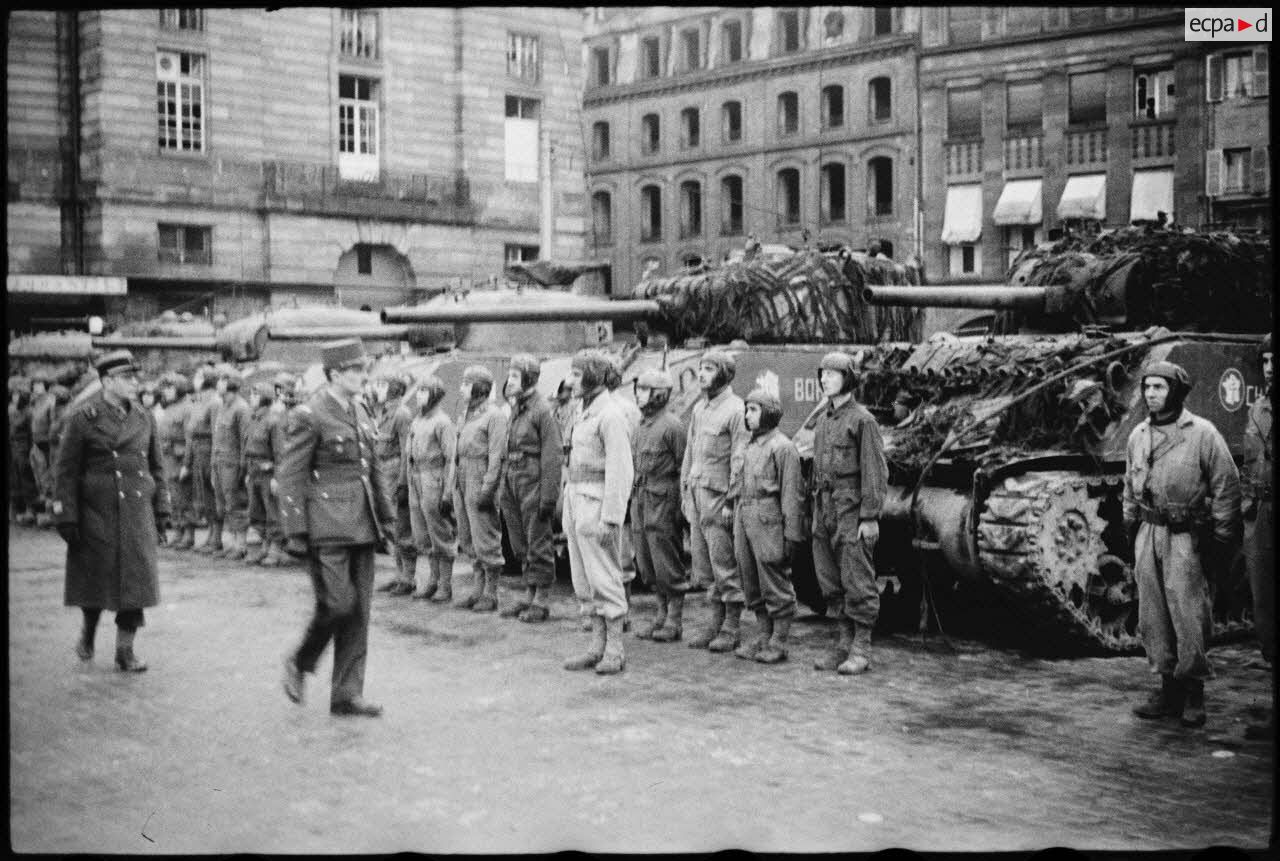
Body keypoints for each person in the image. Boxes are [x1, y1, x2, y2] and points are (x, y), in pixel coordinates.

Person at [279, 339, 394, 718]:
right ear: (334, 374)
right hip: (326, 526)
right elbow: (292, 473)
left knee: (359, 612)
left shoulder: (361, 410)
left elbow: (371, 467)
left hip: (362, 523)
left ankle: (346, 694)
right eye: (355, 370)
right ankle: (300, 662)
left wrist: (387, 517)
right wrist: (295, 530)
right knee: (338, 604)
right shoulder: (310, 414)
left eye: (363, 369)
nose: (363, 376)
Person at [1124, 360, 1242, 728]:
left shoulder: (1202, 433)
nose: (1151, 394)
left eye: (1159, 387)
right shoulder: (1137, 435)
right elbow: (1129, 485)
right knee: (1153, 615)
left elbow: (1226, 485)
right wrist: (1131, 525)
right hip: (1149, 530)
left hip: (1185, 535)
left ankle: (1193, 691)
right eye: (1147, 388)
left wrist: (1222, 536)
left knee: (1188, 612)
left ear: (1174, 391)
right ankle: (1165, 688)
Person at [53, 350, 171, 672]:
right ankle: (88, 633)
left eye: (135, 377)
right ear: (107, 381)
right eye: (126, 378)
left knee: (136, 583)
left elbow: (156, 468)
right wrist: (66, 514)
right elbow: (65, 471)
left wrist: (162, 510)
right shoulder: (84, 418)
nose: (135, 383)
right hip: (97, 514)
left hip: (136, 512)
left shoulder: (144, 418)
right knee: (95, 582)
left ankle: (125, 651)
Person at [810, 351, 888, 675]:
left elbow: (875, 471)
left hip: (851, 508)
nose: (825, 379)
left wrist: (869, 517)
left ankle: (861, 647)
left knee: (857, 578)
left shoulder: (862, 420)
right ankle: (843, 643)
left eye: (833, 373)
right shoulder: (823, 421)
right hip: (824, 508)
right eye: (823, 373)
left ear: (849, 379)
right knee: (830, 579)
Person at [562, 349, 634, 674]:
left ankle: (615, 649)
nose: (571, 381)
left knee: (604, 576)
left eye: (577, 375)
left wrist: (612, 517)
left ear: (593, 375)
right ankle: (596, 645)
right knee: (583, 578)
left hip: (596, 503)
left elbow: (621, 470)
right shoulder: (583, 411)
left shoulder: (611, 415)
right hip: (576, 499)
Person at [680, 350, 749, 651]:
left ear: (724, 373)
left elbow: (739, 459)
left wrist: (732, 502)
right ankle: (715, 621)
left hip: (719, 500)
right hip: (698, 497)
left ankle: (732, 626)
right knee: (704, 565)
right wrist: (685, 491)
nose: (703, 374)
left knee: (725, 564)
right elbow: (690, 453)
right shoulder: (699, 409)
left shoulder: (736, 410)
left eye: (709, 368)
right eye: (701, 368)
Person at [732, 387, 805, 664]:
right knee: (750, 579)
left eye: (754, 410)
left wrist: (791, 534)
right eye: (747, 409)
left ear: (769, 413)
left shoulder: (783, 447)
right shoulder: (750, 445)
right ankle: (763, 634)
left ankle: (779, 639)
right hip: (746, 514)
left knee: (773, 578)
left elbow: (791, 495)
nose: (748, 415)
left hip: (769, 519)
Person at [498, 354, 563, 622]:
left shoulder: (541, 410)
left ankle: (542, 598)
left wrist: (548, 497)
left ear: (528, 378)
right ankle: (529, 591)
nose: (509, 381)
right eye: (510, 375)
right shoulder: (517, 408)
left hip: (532, 481)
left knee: (538, 539)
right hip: (513, 480)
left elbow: (552, 455)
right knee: (519, 541)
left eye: (514, 376)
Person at [629, 369, 689, 642]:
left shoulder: (672, 426)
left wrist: (679, 508)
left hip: (663, 499)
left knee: (666, 559)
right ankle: (660, 614)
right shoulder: (642, 425)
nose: (639, 394)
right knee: (647, 560)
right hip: (642, 497)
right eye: (639, 389)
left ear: (659, 394)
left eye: (644, 389)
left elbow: (682, 468)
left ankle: (674, 620)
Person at [453, 365, 508, 612]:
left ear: (479, 387)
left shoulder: (494, 416)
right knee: (467, 537)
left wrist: (488, 489)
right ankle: (478, 589)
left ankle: (491, 592)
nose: (461, 388)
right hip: (462, 477)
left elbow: (497, 456)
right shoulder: (466, 414)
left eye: (466, 384)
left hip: (480, 476)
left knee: (485, 535)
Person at [1243, 334, 1274, 740]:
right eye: (1265, 360)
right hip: (1263, 515)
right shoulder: (1259, 408)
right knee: (1267, 610)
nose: (1269, 367)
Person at [404, 375, 458, 602]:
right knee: (422, 533)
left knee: (440, 532)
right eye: (419, 391)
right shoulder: (417, 421)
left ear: (435, 394)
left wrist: (447, 492)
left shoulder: (442, 422)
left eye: (424, 391)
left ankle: (445, 585)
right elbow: (409, 455)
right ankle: (432, 580)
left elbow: (451, 458)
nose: (419, 395)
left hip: (433, 478)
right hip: (416, 477)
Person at [605, 356, 641, 631]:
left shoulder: (624, 409)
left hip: (618, 485)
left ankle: (623, 611)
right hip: (598, 484)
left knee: (621, 553)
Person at [373, 375, 418, 594]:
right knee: (391, 527)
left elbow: (405, 451)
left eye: (382, 385)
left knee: (402, 527)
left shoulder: (401, 414)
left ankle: (408, 578)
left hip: (394, 473)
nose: (377, 389)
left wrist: (403, 483)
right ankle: (399, 574)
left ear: (395, 390)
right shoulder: (384, 413)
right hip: (383, 473)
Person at [210, 368, 252, 560]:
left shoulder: (241, 408)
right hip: (220, 462)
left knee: (236, 502)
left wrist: (244, 468)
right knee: (224, 504)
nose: (218, 384)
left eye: (222, 380)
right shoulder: (222, 407)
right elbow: (216, 438)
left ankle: (241, 545)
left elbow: (245, 441)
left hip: (233, 465)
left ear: (231, 384)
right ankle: (233, 542)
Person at [242, 380, 281, 565]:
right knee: (255, 511)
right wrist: (247, 472)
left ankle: (275, 549)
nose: (252, 398)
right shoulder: (252, 419)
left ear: (265, 398)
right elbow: (247, 447)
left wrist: (277, 477)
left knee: (272, 511)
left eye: (256, 394)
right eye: (252, 394)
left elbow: (279, 452)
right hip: (254, 471)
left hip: (268, 472)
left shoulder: (273, 420)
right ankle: (259, 548)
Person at [157, 372, 196, 549]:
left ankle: (188, 534)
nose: (166, 391)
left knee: (184, 496)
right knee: (174, 496)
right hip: (168, 457)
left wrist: (187, 464)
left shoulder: (187, 408)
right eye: (165, 388)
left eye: (170, 387)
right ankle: (178, 530)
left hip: (180, 457)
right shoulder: (168, 408)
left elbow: (190, 439)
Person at [183, 370, 220, 553]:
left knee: (213, 495)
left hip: (208, 450)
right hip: (198, 451)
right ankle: (211, 534)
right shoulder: (200, 400)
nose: (196, 379)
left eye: (199, 376)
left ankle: (217, 536)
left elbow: (216, 434)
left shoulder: (214, 402)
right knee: (204, 496)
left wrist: (214, 462)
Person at [9, 376, 38, 526]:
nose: (14, 397)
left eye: (17, 395)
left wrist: (31, 450)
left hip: (24, 449)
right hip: (13, 448)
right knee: (15, 480)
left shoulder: (28, 412)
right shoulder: (12, 410)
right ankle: (18, 509)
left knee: (26, 479)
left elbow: (31, 434)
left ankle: (31, 509)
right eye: (13, 394)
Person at [28, 374, 56, 527]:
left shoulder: (51, 401)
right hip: (35, 445)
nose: (37, 387)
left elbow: (53, 425)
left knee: (48, 480)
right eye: (35, 384)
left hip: (47, 446)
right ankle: (42, 513)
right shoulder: (34, 402)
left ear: (46, 385)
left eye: (40, 383)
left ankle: (50, 515)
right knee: (38, 478)